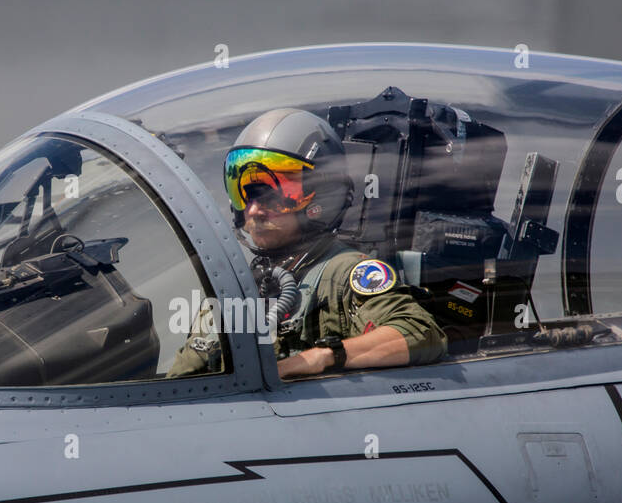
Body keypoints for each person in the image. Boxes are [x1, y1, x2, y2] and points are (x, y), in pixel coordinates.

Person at [167, 107, 446, 379]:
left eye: (278, 193)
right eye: (245, 193)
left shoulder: (345, 273)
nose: (254, 211)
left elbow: (421, 333)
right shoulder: (237, 284)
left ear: (322, 195)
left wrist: (320, 357)